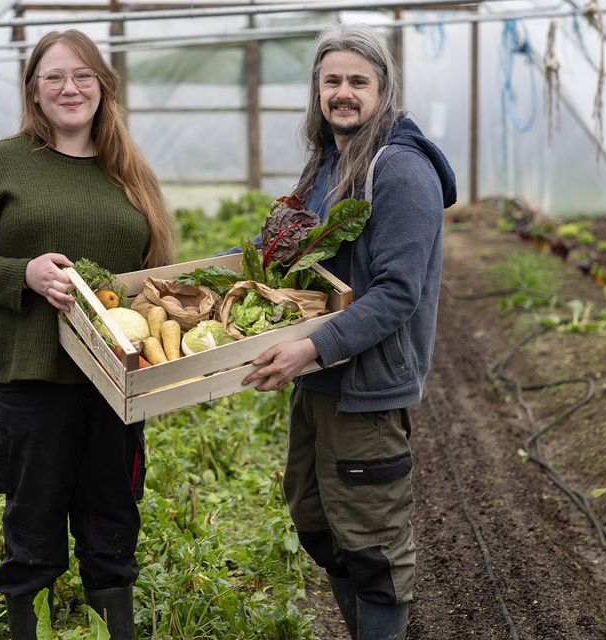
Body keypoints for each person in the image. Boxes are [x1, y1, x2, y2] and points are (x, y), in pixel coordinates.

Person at [0, 29, 173, 640]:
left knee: (111, 522)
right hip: (31, 378)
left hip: (115, 384)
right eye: (54, 77)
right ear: (34, 92)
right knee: (33, 528)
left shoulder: (128, 172)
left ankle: (111, 628)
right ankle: (27, 626)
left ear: (103, 86)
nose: (70, 88)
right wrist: (25, 272)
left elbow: (148, 277)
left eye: (83, 76)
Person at [242, 22, 457, 640]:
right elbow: (285, 250)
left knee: (375, 553)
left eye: (357, 81)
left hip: (365, 387)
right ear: (316, 90)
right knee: (316, 523)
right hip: (318, 384)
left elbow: (396, 295)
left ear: (382, 90)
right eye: (331, 80)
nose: (343, 92)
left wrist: (310, 345)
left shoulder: (399, 172)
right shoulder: (326, 164)